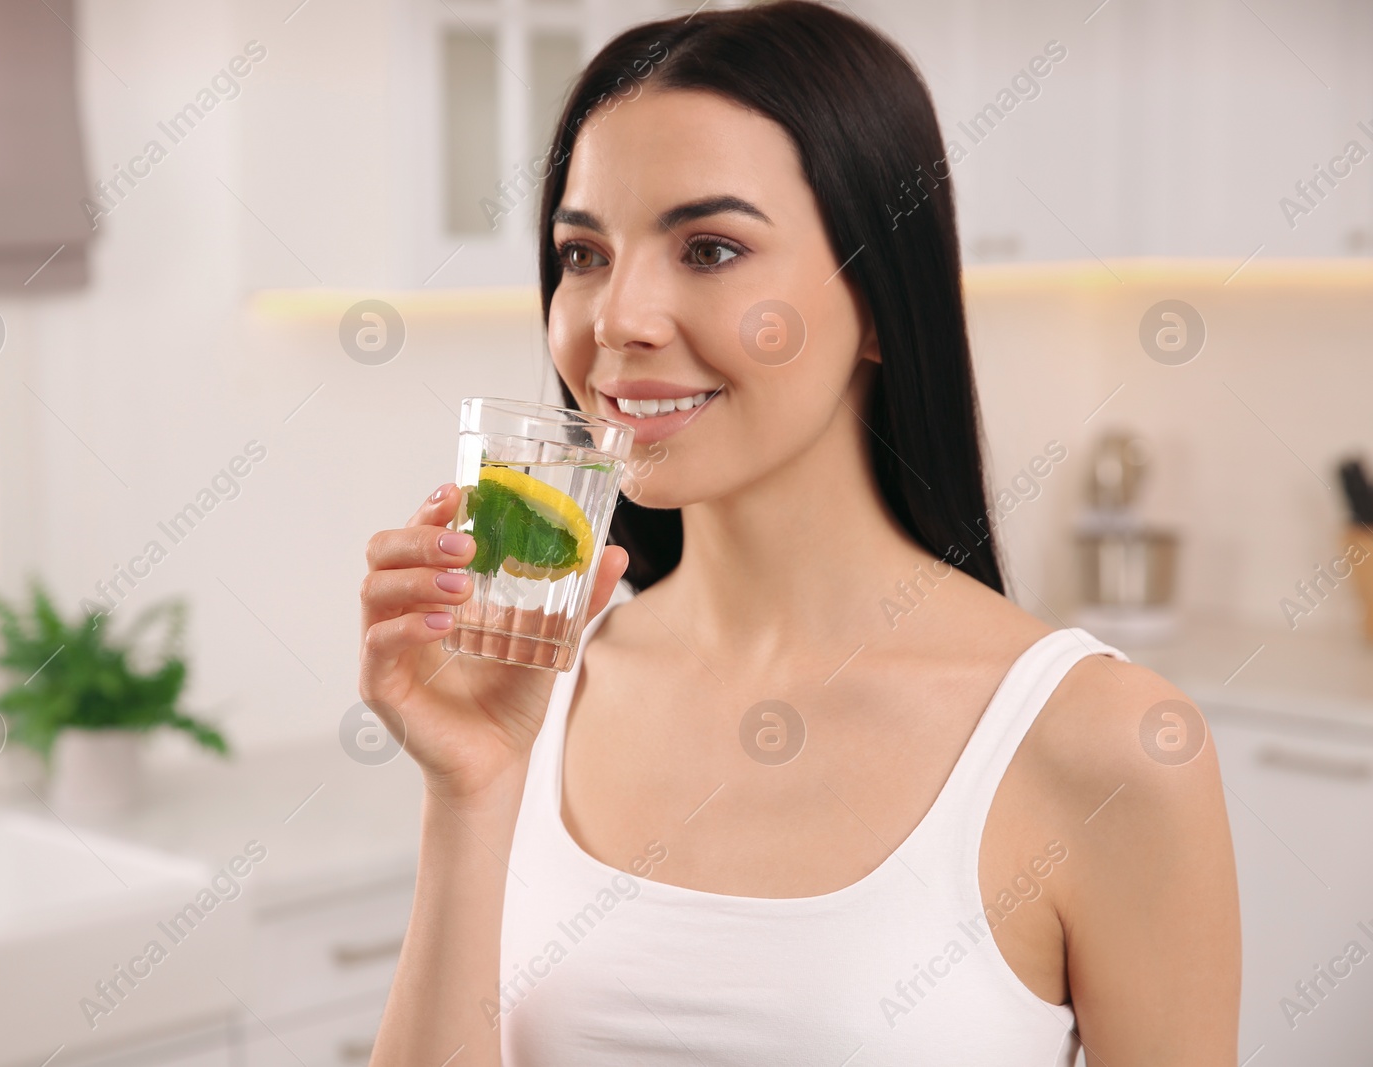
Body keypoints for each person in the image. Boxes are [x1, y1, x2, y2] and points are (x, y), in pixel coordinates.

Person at [359, 3, 1239, 1064]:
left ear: (877, 297)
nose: (618, 318)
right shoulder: (533, 690)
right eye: (583, 252)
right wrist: (470, 785)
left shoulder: (1105, 745)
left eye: (710, 246)